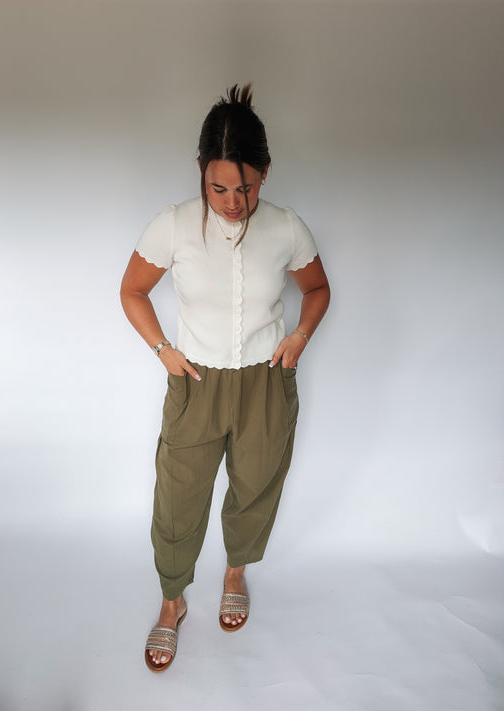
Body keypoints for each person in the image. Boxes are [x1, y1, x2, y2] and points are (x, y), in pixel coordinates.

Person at [120, 84, 330, 672]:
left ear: (265, 173)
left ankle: (235, 571)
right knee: (178, 496)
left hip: (266, 379)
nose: (233, 202)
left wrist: (298, 338)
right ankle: (172, 601)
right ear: (200, 171)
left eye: (246, 188)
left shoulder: (286, 227)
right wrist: (162, 350)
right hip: (196, 381)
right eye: (219, 188)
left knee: (256, 483)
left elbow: (317, 289)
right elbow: (132, 291)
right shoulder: (173, 226)